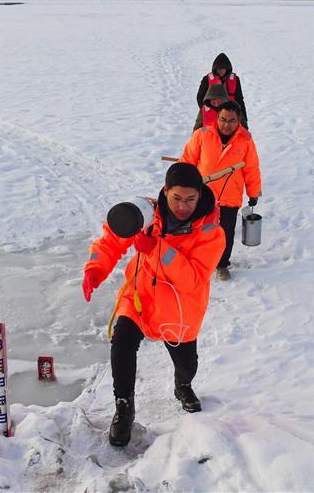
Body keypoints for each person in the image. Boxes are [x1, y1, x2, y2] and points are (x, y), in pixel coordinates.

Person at [82, 163, 225, 447]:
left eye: (190, 199)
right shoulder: (148, 214)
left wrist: (156, 249)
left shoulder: (212, 233)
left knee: (187, 364)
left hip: (179, 308)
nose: (183, 206)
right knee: (121, 342)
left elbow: (193, 279)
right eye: (176, 198)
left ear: (200, 195)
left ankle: (182, 385)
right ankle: (124, 407)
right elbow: (113, 236)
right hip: (141, 295)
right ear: (165, 192)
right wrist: (97, 267)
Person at [180, 101, 261, 281]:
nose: (226, 125)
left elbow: (252, 169)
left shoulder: (246, 140)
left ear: (238, 120)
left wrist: (253, 192)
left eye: (231, 121)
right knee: (197, 230)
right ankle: (194, 261)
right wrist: (181, 184)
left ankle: (222, 264)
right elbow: (187, 161)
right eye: (223, 119)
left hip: (230, 196)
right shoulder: (202, 135)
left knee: (225, 233)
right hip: (202, 194)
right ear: (217, 118)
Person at [196, 52, 248, 129]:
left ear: (227, 69)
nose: (220, 71)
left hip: (231, 112)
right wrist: (207, 109)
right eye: (218, 69)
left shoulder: (235, 79)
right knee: (200, 132)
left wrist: (244, 118)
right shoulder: (207, 79)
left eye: (222, 69)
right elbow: (200, 97)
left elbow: (239, 99)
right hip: (211, 112)